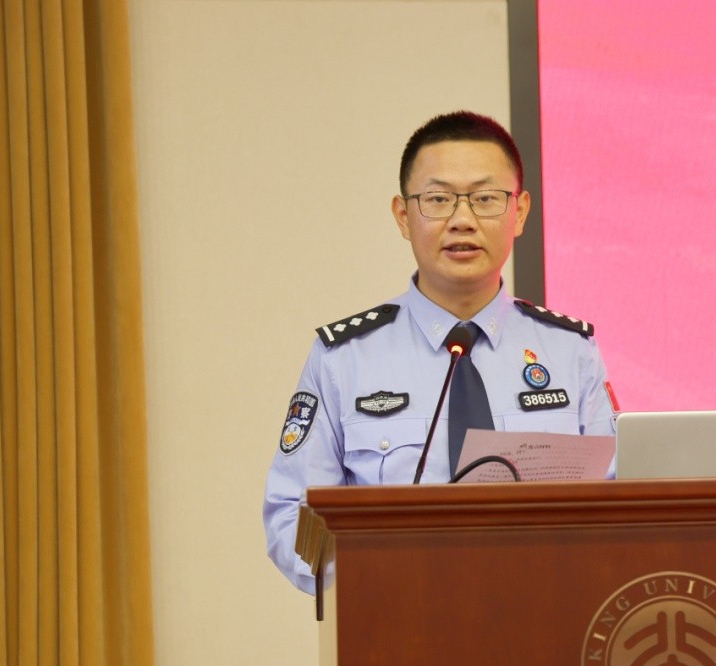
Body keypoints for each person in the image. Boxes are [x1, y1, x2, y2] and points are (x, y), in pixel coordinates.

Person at [263, 111, 618, 593]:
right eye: (438, 200)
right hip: (398, 619)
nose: (462, 220)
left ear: (520, 212)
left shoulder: (570, 352)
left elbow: (618, 501)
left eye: (486, 199)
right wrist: (386, 580)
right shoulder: (345, 358)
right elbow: (291, 516)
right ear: (402, 216)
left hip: (547, 613)